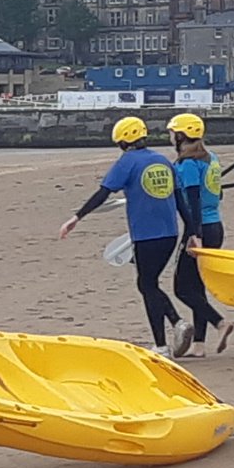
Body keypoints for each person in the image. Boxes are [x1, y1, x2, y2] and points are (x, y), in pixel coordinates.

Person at [59, 115, 192, 358]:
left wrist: (77, 217)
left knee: (147, 284)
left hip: (146, 234)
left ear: (123, 141)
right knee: (148, 282)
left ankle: (163, 343)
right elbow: (180, 200)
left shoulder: (127, 162)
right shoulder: (162, 161)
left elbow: (103, 193)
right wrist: (191, 231)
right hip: (170, 233)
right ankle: (177, 323)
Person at [167, 113, 234, 358]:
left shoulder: (187, 165)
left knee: (181, 289)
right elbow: (218, 195)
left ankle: (219, 323)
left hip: (198, 229)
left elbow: (193, 201)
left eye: (173, 132)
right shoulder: (212, 159)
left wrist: (194, 235)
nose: (170, 136)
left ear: (182, 136)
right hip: (216, 226)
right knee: (197, 286)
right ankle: (198, 345)